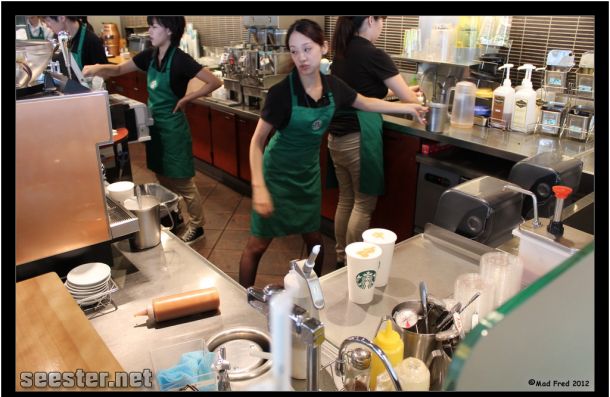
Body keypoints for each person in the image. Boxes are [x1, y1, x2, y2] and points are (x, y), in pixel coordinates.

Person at [238, 19, 427, 288]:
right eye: (294, 51)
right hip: (276, 175)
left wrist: (407, 107)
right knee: (257, 245)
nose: (302, 58)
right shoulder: (281, 93)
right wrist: (259, 187)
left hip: (307, 176)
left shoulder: (333, 86)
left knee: (315, 241)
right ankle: (244, 298)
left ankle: (313, 293)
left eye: (307, 49)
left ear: (324, 47)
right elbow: (257, 142)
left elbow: (365, 103)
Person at [83, 16, 222, 244]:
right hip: (155, 127)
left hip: (174, 129)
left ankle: (198, 226)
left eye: (154, 27)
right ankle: (175, 216)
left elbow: (214, 82)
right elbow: (118, 69)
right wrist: (98, 69)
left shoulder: (180, 59)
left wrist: (187, 98)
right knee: (161, 176)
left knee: (183, 182)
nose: (149, 31)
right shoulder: (150, 55)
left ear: (169, 30)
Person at [328, 16, 422, 269]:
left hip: (336, 137)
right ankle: (354, 264)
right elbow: (408, 99)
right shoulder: (373, 54)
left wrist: (400, 93)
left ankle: (341, 257)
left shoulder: (343, 50)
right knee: (363, 204)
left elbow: (365, 91)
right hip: (358, 137)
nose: (383, 26)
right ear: (370, 19)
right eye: (382, 20)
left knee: (346, 200)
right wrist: (413, 97)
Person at [43, 16, 108, 77]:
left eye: (48, 20)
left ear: (62, 18)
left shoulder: (91, 40)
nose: (47, 25)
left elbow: (106, 74)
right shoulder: (57, 38)